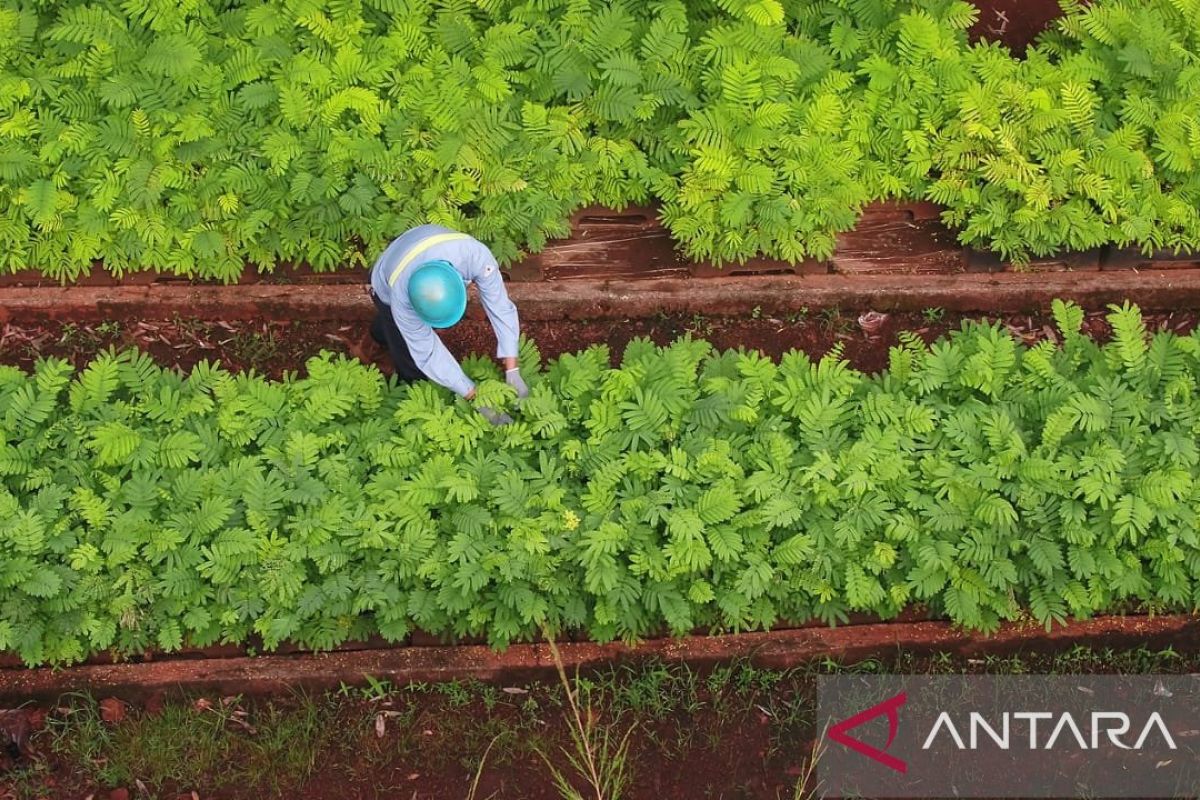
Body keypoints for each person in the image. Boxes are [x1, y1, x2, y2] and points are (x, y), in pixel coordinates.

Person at [368, 224, 529, 425]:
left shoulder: (475, 256)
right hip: (386, 274)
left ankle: (378, 335)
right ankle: (409, 387)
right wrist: (474, 396)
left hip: (419, 240)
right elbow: (427, 352)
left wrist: (512, 368)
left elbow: (501, 308)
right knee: (404, 347)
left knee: (392, 329)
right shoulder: (401, 300)